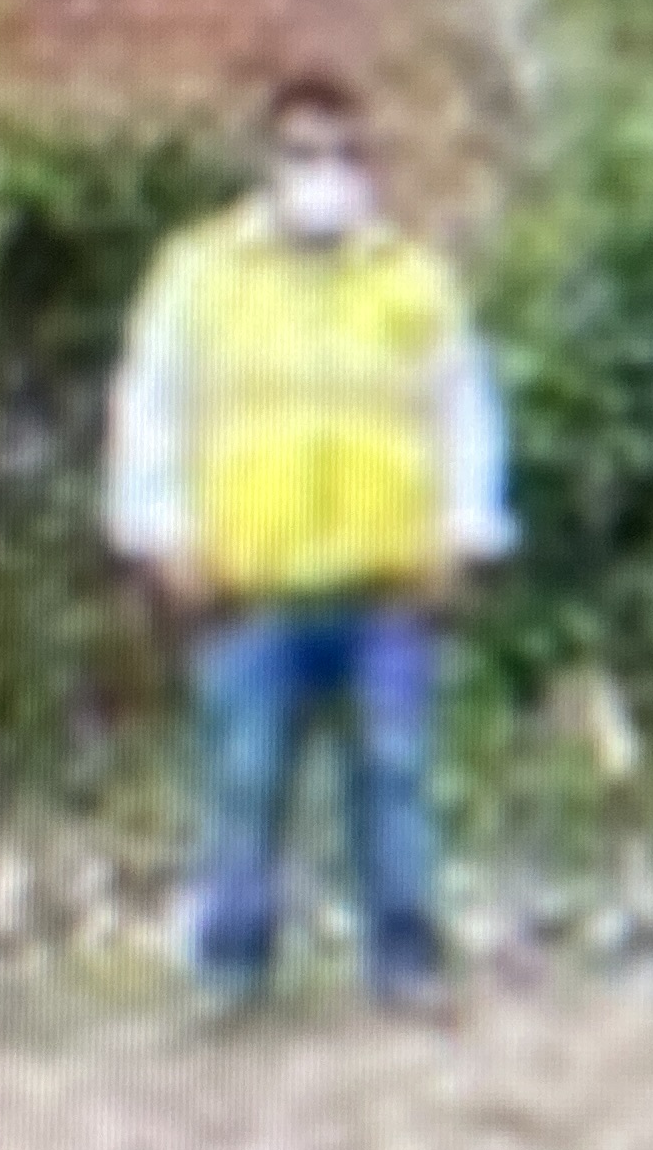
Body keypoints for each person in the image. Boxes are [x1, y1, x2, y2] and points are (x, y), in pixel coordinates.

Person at [104, 73, 512, 1020]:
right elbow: (151, 414)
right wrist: (163, 541)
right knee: (242, 781)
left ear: (370, 165)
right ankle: (231, 972)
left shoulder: (413, 281)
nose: (323, 173)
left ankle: (406, 966)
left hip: (387, 583)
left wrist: (464, 539)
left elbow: (465, 418)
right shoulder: (200, 276)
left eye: (342, 154)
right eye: (302, 153)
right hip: (247, 584)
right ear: (266, 162)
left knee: (395, 779)